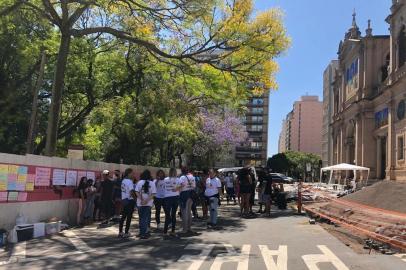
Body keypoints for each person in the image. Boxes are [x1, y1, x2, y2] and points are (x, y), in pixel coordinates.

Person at [135, 170, 156, 239]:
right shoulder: (152, 183)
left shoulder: (139, 182)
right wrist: (146, 200)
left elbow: (137, 192)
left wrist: (141, 199)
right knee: (145, 218)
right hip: (148, 203)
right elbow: (153, 194)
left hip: (140, 203)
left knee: (141, 218)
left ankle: (142, 232)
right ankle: (144, 233)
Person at [178, 167, 196, 235]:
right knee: (189, 212)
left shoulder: (182, 177)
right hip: (191, 194)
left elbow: (180, 186)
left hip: (184, 194)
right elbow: (194, 186)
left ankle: (185, 229)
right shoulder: (192, 176)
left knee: (184, 212)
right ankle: (189, 228)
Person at [119, 168, 136, 238]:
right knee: (129, 217)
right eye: (132, 173)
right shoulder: (129, 181)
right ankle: (126, 232)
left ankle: (120, 232)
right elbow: (131, 192)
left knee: (123, 216)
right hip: (129, 200)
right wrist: (136, 199)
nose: (133, 174)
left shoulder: (123, 181)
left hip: (124, 200)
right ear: (129, 173)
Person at [163, 168, 180, 237]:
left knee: (167, 215)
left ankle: (165, 231)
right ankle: (173, 231)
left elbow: (163, 188)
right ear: (175, 172)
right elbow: (181, 186)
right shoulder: (178, 179)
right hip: (175, 197)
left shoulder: (165, 179)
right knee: (173, 214)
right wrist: (176, 188)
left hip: (167, 198)